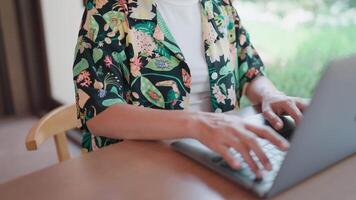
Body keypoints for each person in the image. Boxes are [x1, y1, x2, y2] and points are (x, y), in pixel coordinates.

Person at [73, 0, 307, 178]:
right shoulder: (108, 9)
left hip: (215, 158)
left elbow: (249, 68)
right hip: (139, 170)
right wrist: (198, 124)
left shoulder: (217, 4)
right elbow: (100, 113)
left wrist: (270, 95)